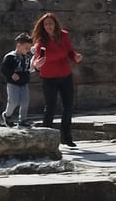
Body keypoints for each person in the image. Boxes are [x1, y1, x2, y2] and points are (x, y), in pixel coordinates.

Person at [31, 13, 83, 147]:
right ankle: (46, 137)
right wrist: (37, 64)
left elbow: (70, 51)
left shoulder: (63, 35)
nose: (49, 26)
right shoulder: (41, 41)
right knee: (50, 107)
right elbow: (37, 59)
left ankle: (66, 137)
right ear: (43, 26)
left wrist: (75, 56)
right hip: (49, 77)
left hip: (65, 74)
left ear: (55, 24)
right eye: (46, 24)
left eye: (51, 23)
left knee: (68, 106)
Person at [1, 32, 33, 128]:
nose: (28, 50)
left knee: (25, 101)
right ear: (19, 45)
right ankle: (7, 115)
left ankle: (23, 120)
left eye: (29, 48)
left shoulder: (27, 56)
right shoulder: (10, 57)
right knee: (13, 101)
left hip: (24, 83)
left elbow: (29, 68)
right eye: (26, 48)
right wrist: (11, 74)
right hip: (12, 83)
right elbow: (4, 69)